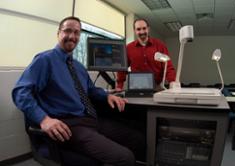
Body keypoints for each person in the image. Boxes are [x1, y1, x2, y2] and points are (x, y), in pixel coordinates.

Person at [12, 16, 145, 166]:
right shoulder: (45, 60)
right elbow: (20, 92)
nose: (72, 36)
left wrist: (107, 96)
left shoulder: (78, 67)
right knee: (125, 158)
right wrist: (44, 120)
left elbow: (90, 89)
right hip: (70, 126)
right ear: (58, 33)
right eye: (67, 31)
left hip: (90, 120)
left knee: (137, 138)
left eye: (76, 32)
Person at [116, 18, 176, 91]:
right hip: (136, 87)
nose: (142, 31)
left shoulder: (160, 45)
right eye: (138, 29)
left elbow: (168, 67)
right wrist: (119, 86)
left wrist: (172, 82)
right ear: (135, 31)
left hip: (156, 87)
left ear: (148, 29)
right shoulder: (128, 48)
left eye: (144, 28)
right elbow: (122, 69)